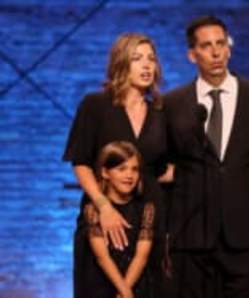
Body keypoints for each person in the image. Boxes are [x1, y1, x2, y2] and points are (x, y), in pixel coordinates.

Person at [161, 15, 249, 298]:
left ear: (229, 49)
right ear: (191, 55)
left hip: (244, 235)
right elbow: (160, 160)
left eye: (221, 43)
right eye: (206, 46)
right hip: (191, 234)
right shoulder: (173, 103)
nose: (216, 52)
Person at [62, 32, 169, 297]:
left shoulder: (160, 112)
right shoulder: (95, 105)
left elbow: (167, 166)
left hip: (148, 221)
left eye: (151, 59)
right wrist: (103, 205)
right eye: (137, 59)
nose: (146, 66)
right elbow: (81, 162)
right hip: (104, 218)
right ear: (121, 63)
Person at [81, 141, 155, 298]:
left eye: (134, 169)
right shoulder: (92, 210)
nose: (129, 175)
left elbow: (141, 256)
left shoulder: (146, 209)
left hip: (135, 283)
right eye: (122, 169)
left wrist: (126, 291)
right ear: (105, 172)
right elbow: (102, 258)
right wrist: (124, 292)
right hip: (103, 284)